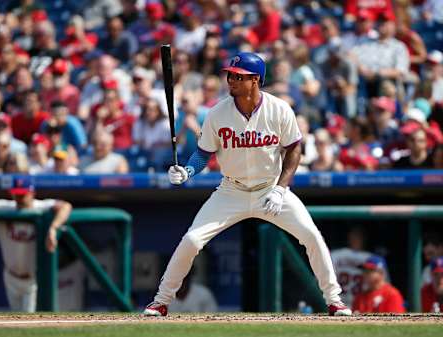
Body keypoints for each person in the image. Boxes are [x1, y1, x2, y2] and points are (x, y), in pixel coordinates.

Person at [143, 52, 351, 317]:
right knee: (192, 240)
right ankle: (161, 301)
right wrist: (187, 171)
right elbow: (203, 154)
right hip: (232, 190)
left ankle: (334, 300)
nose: (231, 80)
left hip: (270, 188)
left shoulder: (279, 109)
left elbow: (294, 150)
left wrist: (281, 188)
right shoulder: (218, 113)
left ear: (255, 80)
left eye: (238, 77)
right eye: (230, 75)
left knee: (311, 236)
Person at [0, 177, 72, 312]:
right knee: (17, 322)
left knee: (28, 319)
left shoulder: (41, 206)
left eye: (24, 194)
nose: (20, 197)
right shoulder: (6, 207)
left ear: (32, 193)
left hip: (33, 278)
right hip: (10, 276)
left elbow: (66, 206)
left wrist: (53, 228)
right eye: (17, 193)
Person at [331, 227, 374, 308]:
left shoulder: (372, 259)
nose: (356, 239)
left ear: (364, 239)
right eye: (354, 236)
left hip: (362, 304)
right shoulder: (336, 255)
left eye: (359, 236)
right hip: (339, 302)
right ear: (348, 237)